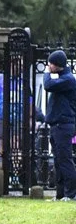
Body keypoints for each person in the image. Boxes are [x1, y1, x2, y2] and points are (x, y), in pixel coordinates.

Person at [44, 50, 76, 201]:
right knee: (58, 161)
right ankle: (61, 194)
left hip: (63, 125)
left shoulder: (68, 80)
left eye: (51, 63)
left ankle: (71, 193)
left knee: (65, 160)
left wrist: (45, 73)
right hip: (57, 126)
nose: (49, 66)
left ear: (57, 65)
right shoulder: (63, 79)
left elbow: (48, 85)